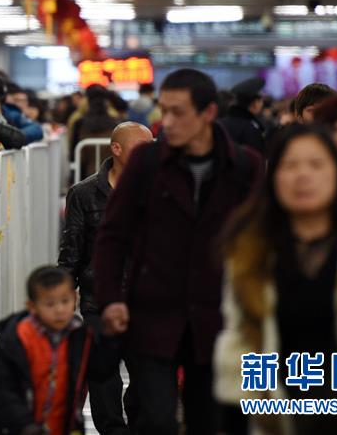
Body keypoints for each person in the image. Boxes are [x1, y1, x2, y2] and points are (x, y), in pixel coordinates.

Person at [95, 69, 263, 435]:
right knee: (155, 418)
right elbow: (113, 235)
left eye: (178, 112)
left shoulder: (245, 166)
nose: (165, 122)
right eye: (163, 110)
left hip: (218, 317)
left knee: (206, 418)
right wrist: (110, 299)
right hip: (153, 314)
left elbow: (263, 240)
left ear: (208, 113)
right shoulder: (147, 163)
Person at [213, 124, 337, 435]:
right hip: (279, 411)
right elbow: (241, 340)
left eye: (315, 164)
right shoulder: (250, 248)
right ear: (273, 177)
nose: (303, 175)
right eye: (290, 165)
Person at [58, 122, 153, 435]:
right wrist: (62, 293)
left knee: (148, 372)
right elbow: (72, 247)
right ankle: (112, 429)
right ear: (117, 149)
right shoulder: (83, 193)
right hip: (98, 296)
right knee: (102, 372)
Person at [0, 266, 99, 435]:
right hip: (18, 428)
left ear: (75, 299)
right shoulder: (15, 339)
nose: (59, 310)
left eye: (65, 301)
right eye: (50, 304)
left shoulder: (79, 336)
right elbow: (3, 390)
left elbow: (102, 370)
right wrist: (25, 426)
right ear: (32, 306)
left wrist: (111, 340)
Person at [218, 77, 266, 155]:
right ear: (255, 103)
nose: (262, 105)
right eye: (260, 101)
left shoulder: (220, 123)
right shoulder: (250, 127)